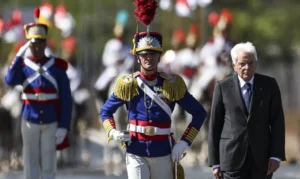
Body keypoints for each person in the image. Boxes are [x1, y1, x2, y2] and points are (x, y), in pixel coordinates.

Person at [4, 9, 72, 179]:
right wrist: (20, 54)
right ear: (29, 44)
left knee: (49, 164)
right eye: (33, 44)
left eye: (40, 43)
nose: (37, 47)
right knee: (30, 162)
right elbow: (10, 79)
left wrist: (64, 125)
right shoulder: (24, 66)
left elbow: (66, 99)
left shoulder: (56, 67)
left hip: (50, 120)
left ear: (45, 43)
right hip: (30, 119)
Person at [208, 42, 285, 179]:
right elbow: (215, 125)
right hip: (231, 160)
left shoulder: (269, 85)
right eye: (242, 64)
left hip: (261, 161)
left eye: (251, 63)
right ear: (234, 66)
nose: (247, 67)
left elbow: (277, 122)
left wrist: (276, 155)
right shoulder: (223, 87)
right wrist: (215, 162)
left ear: (256, 64)